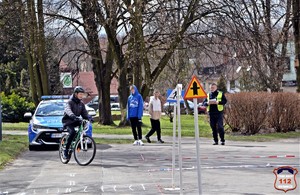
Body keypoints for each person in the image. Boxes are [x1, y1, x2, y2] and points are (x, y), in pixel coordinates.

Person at [62, 86, 90, 159]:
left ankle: (78, 143)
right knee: (72, 132)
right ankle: (66, 149)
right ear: (75, 94)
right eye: (80, 94)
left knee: (82, 128)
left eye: (82, 94)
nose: (81, 96)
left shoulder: (81, 104)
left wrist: (89, 118)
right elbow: (68, 110)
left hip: (76, 120)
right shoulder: (70, 102)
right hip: (68, 121)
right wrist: (72, 115)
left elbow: (85, 113)